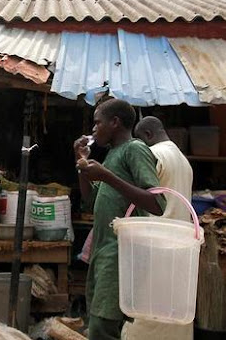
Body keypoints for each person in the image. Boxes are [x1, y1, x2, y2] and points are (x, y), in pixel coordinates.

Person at [74, 99, 165, 340]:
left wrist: (106, 176)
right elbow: (90, 202)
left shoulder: (134, 149)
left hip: (120, 252)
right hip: (103, 251)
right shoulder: (113, 154)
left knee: (102, 328)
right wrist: (83, 165)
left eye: (97, 123)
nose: (93, 129)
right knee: (100, 325)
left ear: (115, 122)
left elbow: (157, 203)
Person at [122, 116, 194, 340]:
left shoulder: (155, 155)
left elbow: (146, 198)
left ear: (147, 136)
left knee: (146, 310)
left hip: (156, 243)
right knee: (174, 309)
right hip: (182, 243)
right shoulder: (183, 160)